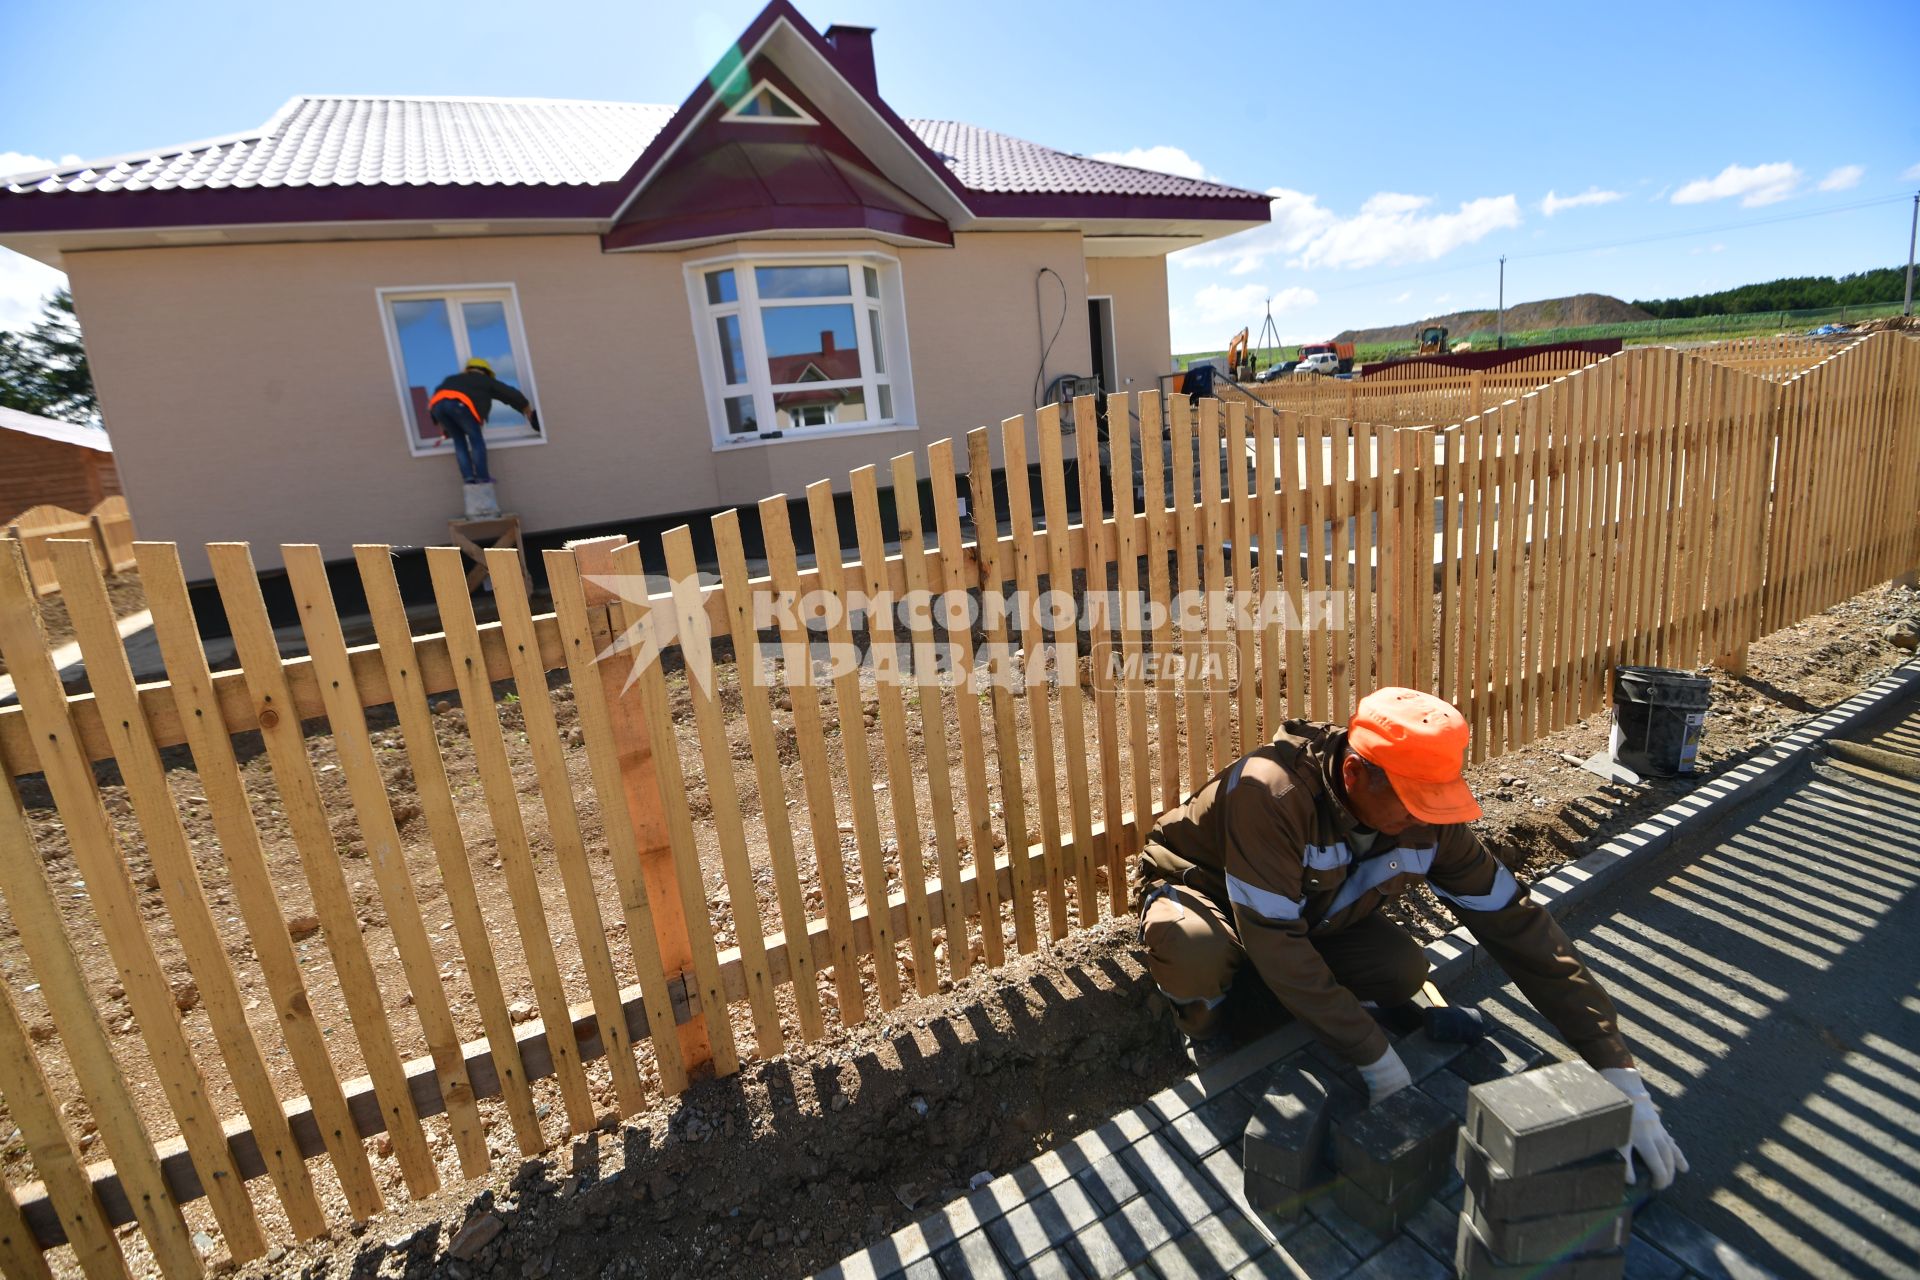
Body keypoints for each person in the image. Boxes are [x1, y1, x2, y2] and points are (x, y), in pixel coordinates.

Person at [1135, 686, 1689, 1189]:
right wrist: (1375, 1059)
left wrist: (1616, 1069)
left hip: (1304, 912)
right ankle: (1205, 1026)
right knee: (1192, 949)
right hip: (1208, 894)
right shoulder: (1272, 794)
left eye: (1435, 799)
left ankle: (1295, 1000)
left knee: (1400, 970)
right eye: (1411, 800)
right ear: (1354, 774)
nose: (1425, 818)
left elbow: (1516, 922)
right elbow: (1274, 937)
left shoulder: (1429, 819)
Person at [427, 357, 540, 485]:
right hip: (459, 405)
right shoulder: (484, 380)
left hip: (437, 407)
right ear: (486, 372)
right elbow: (510, 394)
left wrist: (443, 426)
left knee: (459, 441)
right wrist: (528, 411)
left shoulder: (451, 380)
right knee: (476, 440)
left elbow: (440, 402)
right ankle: (482, 477)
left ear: (467, 369)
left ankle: (468, 478)